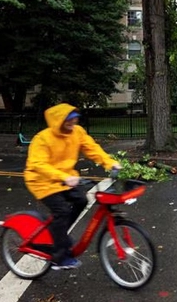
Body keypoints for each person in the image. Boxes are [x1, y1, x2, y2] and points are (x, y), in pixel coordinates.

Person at [24, 103, 121, 270]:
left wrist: (110, 162)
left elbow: (92, 149)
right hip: (42, 181)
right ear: (58, 121)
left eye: (74, 119)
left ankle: (57, 235)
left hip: (65, 179)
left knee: (81, 200)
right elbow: (37, 164)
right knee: (62, 210)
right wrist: (64, 177)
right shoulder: (42, 138)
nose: (72, 123)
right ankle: (59, 257)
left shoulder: (77, 132)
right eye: (68, 120)